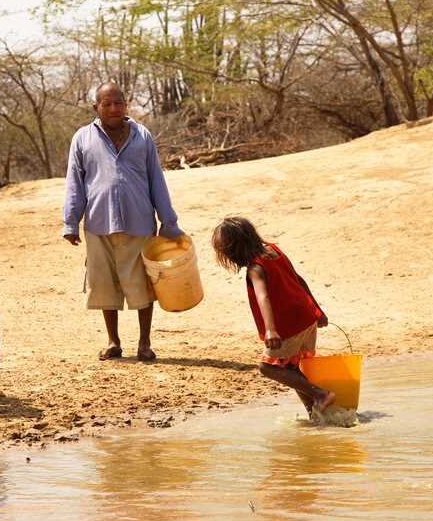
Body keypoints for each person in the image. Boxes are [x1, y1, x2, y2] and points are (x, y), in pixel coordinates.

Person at [63, 82, 184, 361]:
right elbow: (74, 184)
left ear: (126, 104)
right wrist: (70, 223)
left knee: (142, 282)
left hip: (139, 222)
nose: (114, 108)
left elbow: (157, 180)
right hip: (97, 223)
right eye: (107, 104)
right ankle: (113, 341)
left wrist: (168, 221)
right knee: (104, 283)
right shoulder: (82, 138)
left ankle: (144, 343)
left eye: (118, 103)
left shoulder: (143, 136)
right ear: (97, 108)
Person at [211, 216, 335, 414]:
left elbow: (263, 297)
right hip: (306, 317)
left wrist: (270, 330)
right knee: (291, 369)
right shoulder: (273, 250)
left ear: (234, 251)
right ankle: (314, 412)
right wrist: (318, 310)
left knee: (268, 367)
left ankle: (320, 394)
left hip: (289, 326)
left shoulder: (255, 268)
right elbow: (299, 280)